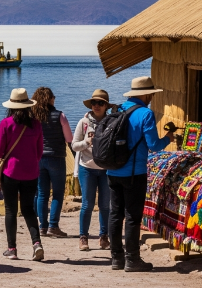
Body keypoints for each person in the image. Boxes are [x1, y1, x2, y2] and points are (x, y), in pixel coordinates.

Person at [108, 77, 171, 272]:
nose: (152, 97)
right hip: (134, 173)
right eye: (151, 93)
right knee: (133, 217)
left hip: (112, 171)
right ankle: (132, 259)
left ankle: (116, 258)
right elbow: (153, 145)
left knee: (115, 215)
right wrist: (167, 138)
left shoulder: (117, 110)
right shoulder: (146, 114)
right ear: (144, 94)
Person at [0, 88, 44, 261]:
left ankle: (12, 249)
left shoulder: (6, 123)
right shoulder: (36, 124)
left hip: (11, 172)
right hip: (31, 172)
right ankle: (37, 243)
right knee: (29, 209)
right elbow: (39, 152)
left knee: (10, 210)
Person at [72, 89, 112, 251]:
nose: (97, 106)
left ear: (106, 106)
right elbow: (74, 145)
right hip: (87, 168)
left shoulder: (111, 122)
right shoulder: (84, 123)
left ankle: (104, 237)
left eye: (100, 103)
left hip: (105, 169)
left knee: (105, 205)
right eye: (94, 103)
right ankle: (83, 238)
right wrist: (87, 142)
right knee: (87, 205)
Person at [32, 87, 73, 237]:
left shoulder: (33, 117)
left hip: (38, 158)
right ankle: (53, 226)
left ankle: (42, 227)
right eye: (53, 96)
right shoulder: (59, 116)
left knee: (42, 193)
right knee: (57, 193)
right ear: (50, 99)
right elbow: (69, 139)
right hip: (56, 157)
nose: (54, 99)